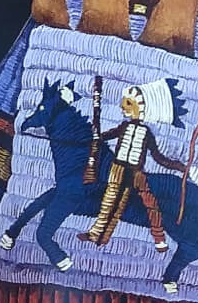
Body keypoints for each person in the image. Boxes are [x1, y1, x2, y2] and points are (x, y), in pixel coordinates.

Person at [79, 79, 186, 250]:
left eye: (128, 103)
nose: (123, 106)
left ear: (140, 107)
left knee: (146, 204)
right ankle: (97, 234)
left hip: (136, 173)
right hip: (118, 169)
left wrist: (179, 166)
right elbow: (105, 136)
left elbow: (158, 157)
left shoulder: (146, 134)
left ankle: (159, 238)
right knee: (109, 203)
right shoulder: (123, 127)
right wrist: (94, 137)